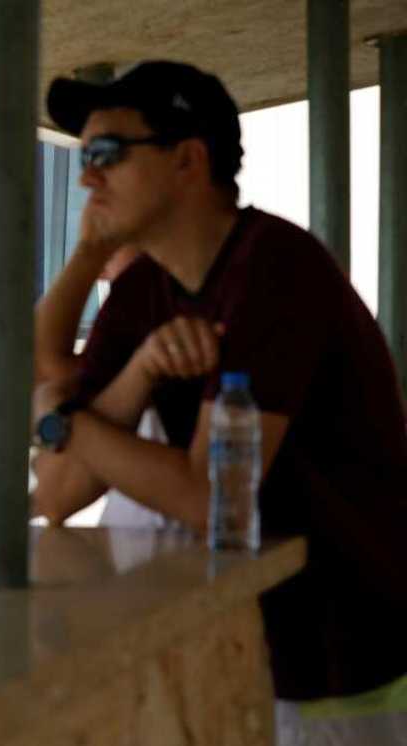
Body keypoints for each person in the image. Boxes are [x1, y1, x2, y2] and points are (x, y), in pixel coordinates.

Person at [29, 60, 407, 742]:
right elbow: (56, 495)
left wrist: (59, 419)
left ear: (188, 160)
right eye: (83, 158)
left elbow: (210, 497)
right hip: (228, 651)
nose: (87, 177)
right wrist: (93, 272)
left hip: (334, 666)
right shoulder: (144, 289)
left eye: (107, 154)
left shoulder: (278, 271)